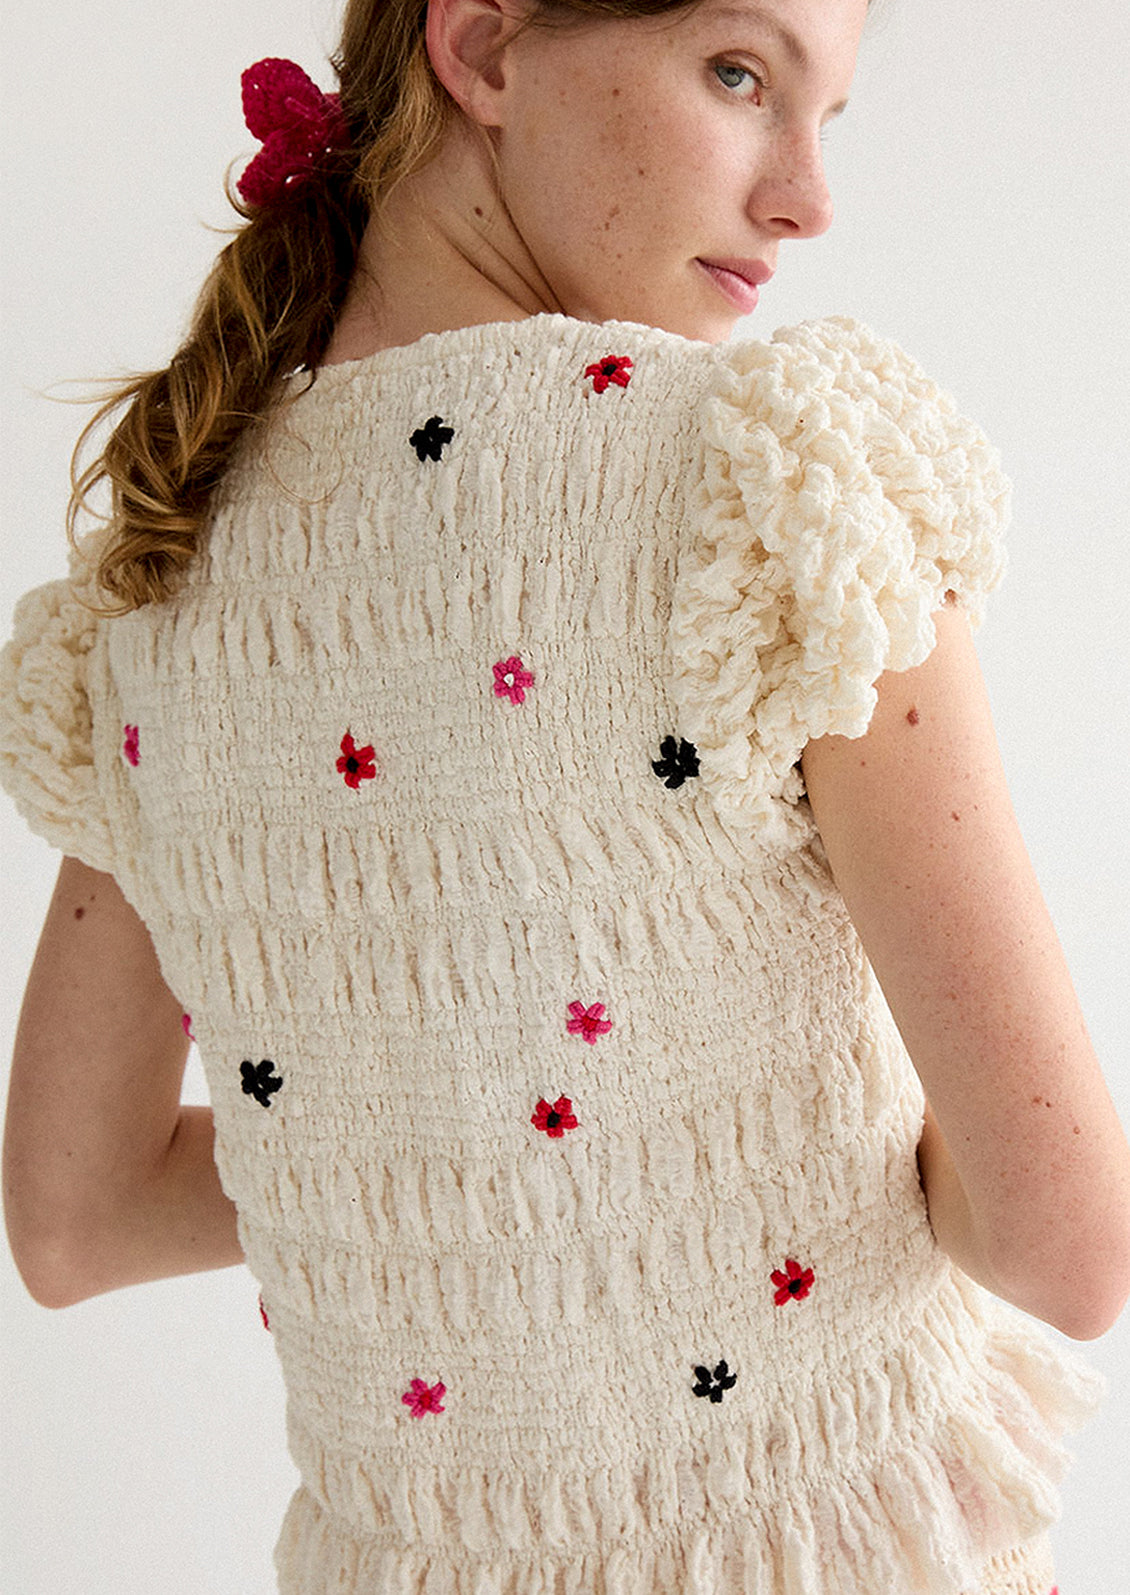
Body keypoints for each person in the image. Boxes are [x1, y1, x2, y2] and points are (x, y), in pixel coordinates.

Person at [2, 0, 1128, 1591]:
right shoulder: (771, 487)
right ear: (484, 47)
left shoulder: (161, 582)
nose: (805, 195)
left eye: (828, 119)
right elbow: (1061, 1244)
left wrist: (433, 1173)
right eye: (740, 75)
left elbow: (77, 1217)